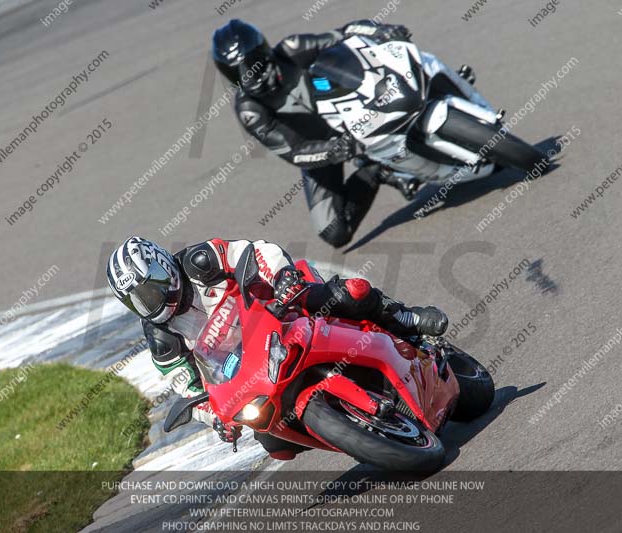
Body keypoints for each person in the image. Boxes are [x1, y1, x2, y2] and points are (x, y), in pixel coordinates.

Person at [106, 236, 449, 459]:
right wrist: (215, 419)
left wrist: (282, 277)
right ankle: (357, 432)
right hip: (251, 369)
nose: (149, 302)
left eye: (149, 289)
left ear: (163, 268)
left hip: (284, 309)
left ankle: (405, 318)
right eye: (137, 300)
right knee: (274, 443)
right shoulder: (162, 337)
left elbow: (255, 251)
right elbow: (190, 387)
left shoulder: (200, 260)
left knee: (349, 294)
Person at [211, 19, 479, 247]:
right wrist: (334, 150)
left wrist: (380, 30)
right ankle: (377, 170)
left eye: (253, 64)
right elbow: (295, 153)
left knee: (400, 70)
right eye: (237, 73)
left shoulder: (293, 48)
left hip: (355, 108)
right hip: (322, 148)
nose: (251, 76)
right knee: (334, 232)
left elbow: (346, 33)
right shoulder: (250, 111)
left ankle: (438, 87)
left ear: (264, 50)